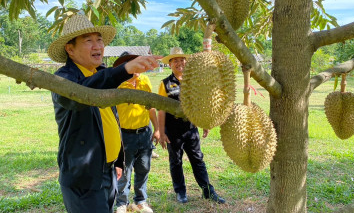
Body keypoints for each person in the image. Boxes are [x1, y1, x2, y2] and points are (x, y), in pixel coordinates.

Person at [47, 14, 160, 213]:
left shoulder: (101, 74)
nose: (97, 45)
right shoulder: (64, 79)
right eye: (88, 40)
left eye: (99, 40)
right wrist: (124, 69)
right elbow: (83, 94)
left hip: (107, 171)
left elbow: (111, 119)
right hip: (83, 176)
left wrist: (116, 161)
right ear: (70, 49)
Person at [157, 47, 226, 204]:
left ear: (186, 62)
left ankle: (208, 191)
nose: (179, 63)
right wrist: (161, 132)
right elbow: (161, 110)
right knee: (176, 161)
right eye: (175, 61)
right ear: (170, 64)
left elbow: (201, 104)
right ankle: (180, 192)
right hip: (173, 130)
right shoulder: (165, 84)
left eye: (182, 60)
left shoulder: (193, 81)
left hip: (191, 128)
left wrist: (205, 123)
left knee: (197, 159)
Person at [113, 52, 159, 213]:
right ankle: (121, 203)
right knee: (124, 171)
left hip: (145, 132)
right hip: (124, 135)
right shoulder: (118, 84)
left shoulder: (145, 80)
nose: (138, 66)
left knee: (144, 168)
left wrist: (158, 129)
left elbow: (151, 105)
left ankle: (141, 201)